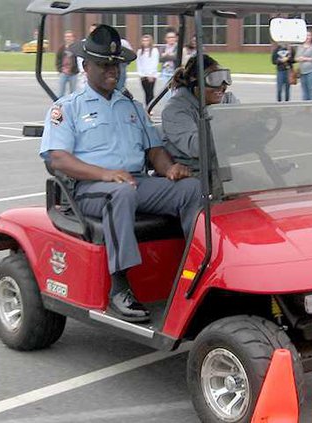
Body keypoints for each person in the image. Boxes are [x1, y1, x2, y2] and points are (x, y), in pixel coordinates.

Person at [40, 25, 201, 323]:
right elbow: (58, 158)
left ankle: (196, 270)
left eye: (116, 63)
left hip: (133, 182)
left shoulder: (132, 108)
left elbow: (154, 151)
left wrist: (170, 169)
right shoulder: (68, 108)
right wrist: (104, 174)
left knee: (191, 189)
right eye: (104, 64)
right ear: (85, 66)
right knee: (121, 192)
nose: (112, 69)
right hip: (90, 189)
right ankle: (120, 287)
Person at [162, 55, 237, 174]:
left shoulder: (227, 100)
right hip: (191, 173)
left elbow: (244, 134)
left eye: (224, 79)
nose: (222, 86)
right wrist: (233, 123)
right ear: (195, 82)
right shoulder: (175, 110)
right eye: (213, 79)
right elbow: (197, 148)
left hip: (220, 169)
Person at [296, 31, 312, 101]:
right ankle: (305, 107)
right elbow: (297, 57)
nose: (307, 37)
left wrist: (305, 59)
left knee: (311, 88)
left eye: (309, 35)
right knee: (304, 90)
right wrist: (299, 59)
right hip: (302, 71)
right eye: (306, 36)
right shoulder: (300, 47)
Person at [136, 34, 160, 106]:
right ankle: (147, 106)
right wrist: (141, 74)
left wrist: (151, 74)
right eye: (143, 41)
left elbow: (155, 63)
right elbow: (139, 63)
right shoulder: (140, 52)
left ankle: (150, 107)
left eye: (147, 40)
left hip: (152, 75)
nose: (145, 42)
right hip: (143, 75)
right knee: (146, 92)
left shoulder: (154, 51)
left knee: (150, 92)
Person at [76, 24, 98, 93]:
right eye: (91, 31)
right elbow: (80, 58)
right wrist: (83, 70)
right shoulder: (84, 43)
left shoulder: (102, 44)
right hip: (85, 74)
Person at [56, 30, 79, 98]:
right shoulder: (61, 48)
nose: (68, 38)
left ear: (73, 38)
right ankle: (59, 106)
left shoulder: (76, 48)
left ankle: (72, 107)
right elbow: (58, 59)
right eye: (66, 36)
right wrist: (60, 69)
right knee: (61, 93)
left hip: (73, 73)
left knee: (73, 93)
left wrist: (77, 70)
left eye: (69, 36)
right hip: (63, 73)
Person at [159, 28, 179, 98]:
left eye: (173, 37)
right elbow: (160, 59)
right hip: (165, 71)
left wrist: (166, 55)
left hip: (174, 71)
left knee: (174, 91)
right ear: (166, 39)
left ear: (176, 38)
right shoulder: (162, 47)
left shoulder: (178, 47)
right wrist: (170, 55)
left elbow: (176, 57)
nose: (171, 39)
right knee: (166, 92)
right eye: (169, 37)